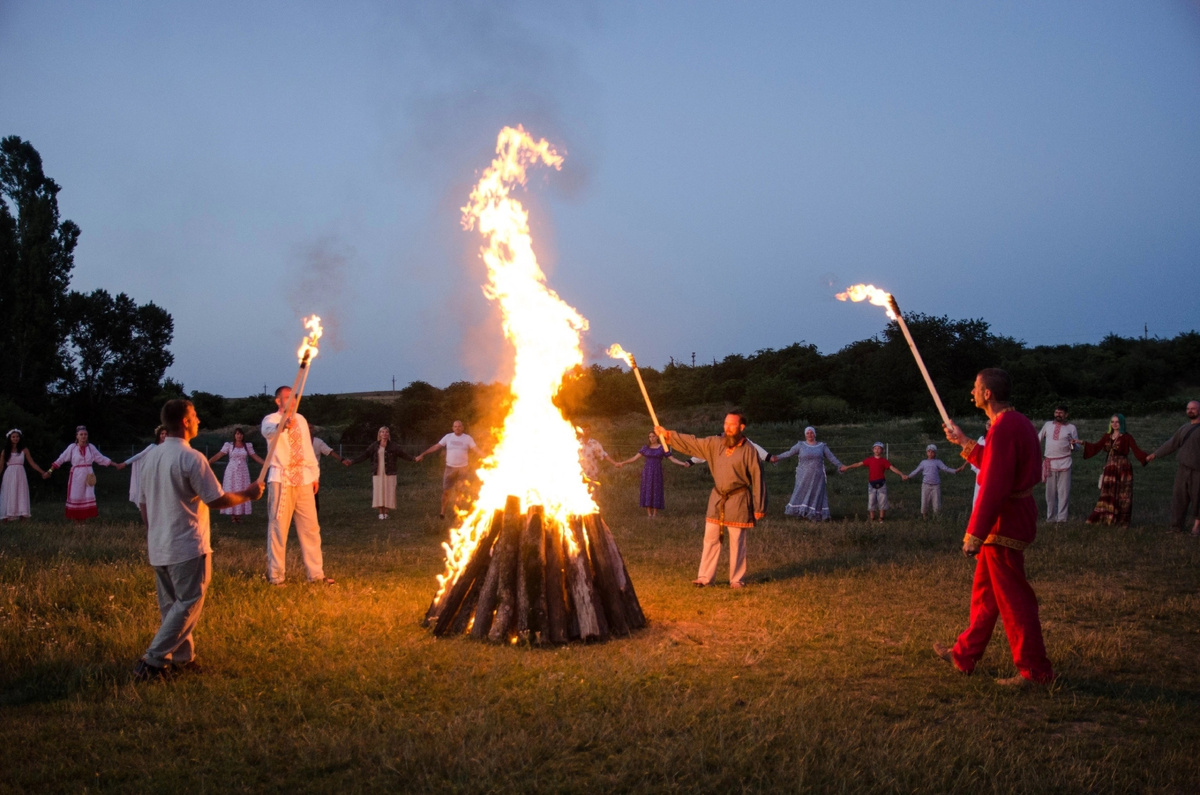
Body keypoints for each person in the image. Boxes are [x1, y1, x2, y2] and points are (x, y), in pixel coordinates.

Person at [935, 368, 1054, 687]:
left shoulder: (1004, 427)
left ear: (988, 393)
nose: (972, 391)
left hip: (1005, 523)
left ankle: (1035, 670)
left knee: (1015, 600)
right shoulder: (1014, 422)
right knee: (985, 596)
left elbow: (995, 484)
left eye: (976, 387)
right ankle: (964, 655)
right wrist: (963, 441)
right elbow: (995, 463)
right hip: (1012, 517)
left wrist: (974, 533)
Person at [133, 399, 263, 681]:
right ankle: (152, 661)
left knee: (172, 606)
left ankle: (182, 658)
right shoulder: (191, 458)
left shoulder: (151, 458)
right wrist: (248, 494)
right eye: (195, 416)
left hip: (159, 544)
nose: (199, 420)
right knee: (189, 602)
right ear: (185, 422)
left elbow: (142, 503)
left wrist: (152, 532)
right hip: (187, 545)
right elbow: (215, 499)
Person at [654, 413, 766, 588]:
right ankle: (705, 578)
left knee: (737, 541)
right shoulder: (715, 443)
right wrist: (668, 435)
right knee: (710, 538)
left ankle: (736, 579)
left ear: (741, 428)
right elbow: (693, 442)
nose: (727, 428)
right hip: (717, 498)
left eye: (732, 425)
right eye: (725, 424)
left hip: (738, 499)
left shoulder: (749, 450)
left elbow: (758, 478)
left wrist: (759, 506)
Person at [261, 386, 333, 585]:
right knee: (278, 528)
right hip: (281, 479)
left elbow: (307, 449)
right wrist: (283, 425)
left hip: (303, 478)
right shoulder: (271, 419)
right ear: (278, 401)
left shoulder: (301, 419)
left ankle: (316, 574)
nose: (292, 400)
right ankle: (276, 576)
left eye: (294, 397)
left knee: (310, 527)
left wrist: (314, 475)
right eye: (287, 397)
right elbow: (268, 432)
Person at [1074, 413, 1149, 526]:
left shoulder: (1127, 437)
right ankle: (1106, 518)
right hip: (1110, 467)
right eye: (1112, 422)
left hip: (1123, 467)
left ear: (1122, 423)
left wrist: (1147, 457)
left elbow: (1136, 450)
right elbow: (1096, 447)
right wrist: (1082, 442)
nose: (1114, 424)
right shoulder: (1107, 436)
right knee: (1107, 492)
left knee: (1123, 494)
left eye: (1117, 422)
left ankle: (1121, 521)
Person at [45, 426, 126, 522]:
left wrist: (115, 464)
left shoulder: (91, 447)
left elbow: (101, 458)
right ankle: (77, 523)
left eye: (85, 434)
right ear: (77, 436)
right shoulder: (72, 448)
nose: (83, 436)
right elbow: (61, 459)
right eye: (81, 434)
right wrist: (50, 471)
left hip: (88, 475)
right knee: (76, 497)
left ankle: (83, 523)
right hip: (76, 476)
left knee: (86, 497)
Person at [1146, 400, 1200, 535]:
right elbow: (1171, 444)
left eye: (1193, 408)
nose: (1190, 410)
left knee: (1198, 499)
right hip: (1182, 469)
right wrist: (1155, 454)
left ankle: (1196, 527)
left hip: (1198, 470)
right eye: (1188, 408)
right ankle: (1176, 527)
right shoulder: (1183, 428)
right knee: (1179, 498)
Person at [769, 426, 844, 520]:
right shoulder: (800, 445)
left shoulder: (822, 446)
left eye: (811, 433)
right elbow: (789, 453)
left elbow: (831, 457)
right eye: (807, 433)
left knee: (815, 494)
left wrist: (839, 465)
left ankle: (814, 515)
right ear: (805, 435)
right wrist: (777, 457)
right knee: (801, 492)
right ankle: (800, 513)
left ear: (815, 434)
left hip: (818, 476)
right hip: (803, 476)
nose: (810, 435)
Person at [613, 431, 691, 517]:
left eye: (653, 436)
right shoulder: (645, 448)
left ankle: (655, 514)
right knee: (647, 489)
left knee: (656, 490)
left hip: (657, 472)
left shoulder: (662, 447)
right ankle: (649, 514)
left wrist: (683, 463)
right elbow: (634, 458)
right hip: (647, 472)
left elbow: (672, 459)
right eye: (650, 437)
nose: (651, 438)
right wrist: (623, 463)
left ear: (657, 437)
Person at [345, 426, 415, 519]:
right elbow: (365, 455)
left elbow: (403, 454)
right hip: (378, 472)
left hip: (390, 472)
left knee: (389, 491)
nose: (384, 434)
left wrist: (413, 459)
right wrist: (353, 461)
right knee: (379, 491)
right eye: (382, 432)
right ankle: (380, 513)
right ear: (379, 434)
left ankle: (386, 513)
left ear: (389, 434)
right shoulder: (374, 445)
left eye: (386, 432)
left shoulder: (393, 446)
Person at [416, 420, 478, 519]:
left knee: (460, 492)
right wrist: (423, 454)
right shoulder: (448, 437)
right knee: (446, 491)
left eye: (459, 426)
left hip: (463, 469)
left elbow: (476, 449)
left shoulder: (467, 438)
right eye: (455, 426)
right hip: (450, 468)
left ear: (462, 428)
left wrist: (487, 456)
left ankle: (458, 513)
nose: (457, 428)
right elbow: (436, 446)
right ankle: (442, 513)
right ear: (453, 428)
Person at [207, 427, 264, 523]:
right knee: (232, 490)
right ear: (234, 435)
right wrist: (208, 462)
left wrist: (266, 464)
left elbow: (255, 457)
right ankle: (233, 515)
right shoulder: (229, 445)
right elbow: (219, 455)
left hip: (243, 471)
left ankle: (239, 515)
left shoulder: (247, 446)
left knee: (242, 490)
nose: (239, 436)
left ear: (243, 435)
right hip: (232, 471)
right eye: (237, 434)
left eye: (241, 434)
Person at [840, 442, 908, 521]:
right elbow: (858, 464)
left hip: (882, 483)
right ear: (873, 450)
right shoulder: (869, 460)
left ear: (882, 450)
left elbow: (892, 468)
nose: (877, 450)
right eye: (875, 448)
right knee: (871, 501)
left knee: (882, 501)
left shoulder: (884, 461)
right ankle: (872, 518)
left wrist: (901, 474)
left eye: (879, 448)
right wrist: (847, 467)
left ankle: (881, 518)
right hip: (871, 484)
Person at [1038, 405, 1078, 522]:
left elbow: (1076, 447)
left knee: (1063, 492)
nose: (1058, 415)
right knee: (1050, 494)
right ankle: (1050, 518)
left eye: (1061, 413)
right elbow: (1038, 439)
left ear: (1066, 415)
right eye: (1056, 412)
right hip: (1050, 463)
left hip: (1065, 463)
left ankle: (1062, 519)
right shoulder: (1048, 425)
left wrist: (1073, 444)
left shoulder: (1071, 428)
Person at [907, 444, 966, 518]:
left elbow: (946, 468)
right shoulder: (923, 462)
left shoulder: (938, 462)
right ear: (926, 452)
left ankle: (937, 517)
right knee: (924, 501)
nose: (931, 453)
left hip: (935, 486)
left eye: (932, 452)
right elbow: (916, 471)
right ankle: (924, 516)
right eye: (929, 451)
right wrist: (908, 476)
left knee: (936, 502)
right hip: (926, 485)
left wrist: (955, 471)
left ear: (935, 453)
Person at [1, 429, 47, 521]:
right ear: (9, 438)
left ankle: (22, 517)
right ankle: (6, 517)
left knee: (21, 493)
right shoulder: (5, 451)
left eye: (17, 437)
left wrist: (42, 472)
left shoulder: (24, 450)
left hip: (20, 474)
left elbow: (32, 463)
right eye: (13, 437)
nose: (15, 438)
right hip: (9, 475)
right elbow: (1, 466)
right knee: (9, 494)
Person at [125, 426, 168, 509]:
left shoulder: (170, 448)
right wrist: (125, 463)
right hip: (154, 474)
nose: (164, 435)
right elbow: (139, 455)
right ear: (159, 435)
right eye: (162, 433)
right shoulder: (153, 447)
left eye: (166, 434)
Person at [311, 435, 346, 515]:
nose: (309, 429)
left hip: (313, 473)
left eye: (311, 428)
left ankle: (314, 513)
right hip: (298, 473)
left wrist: (342, 460)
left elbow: (329, 451)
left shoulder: (318, 442)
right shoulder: (298, 441)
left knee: (313, 494)